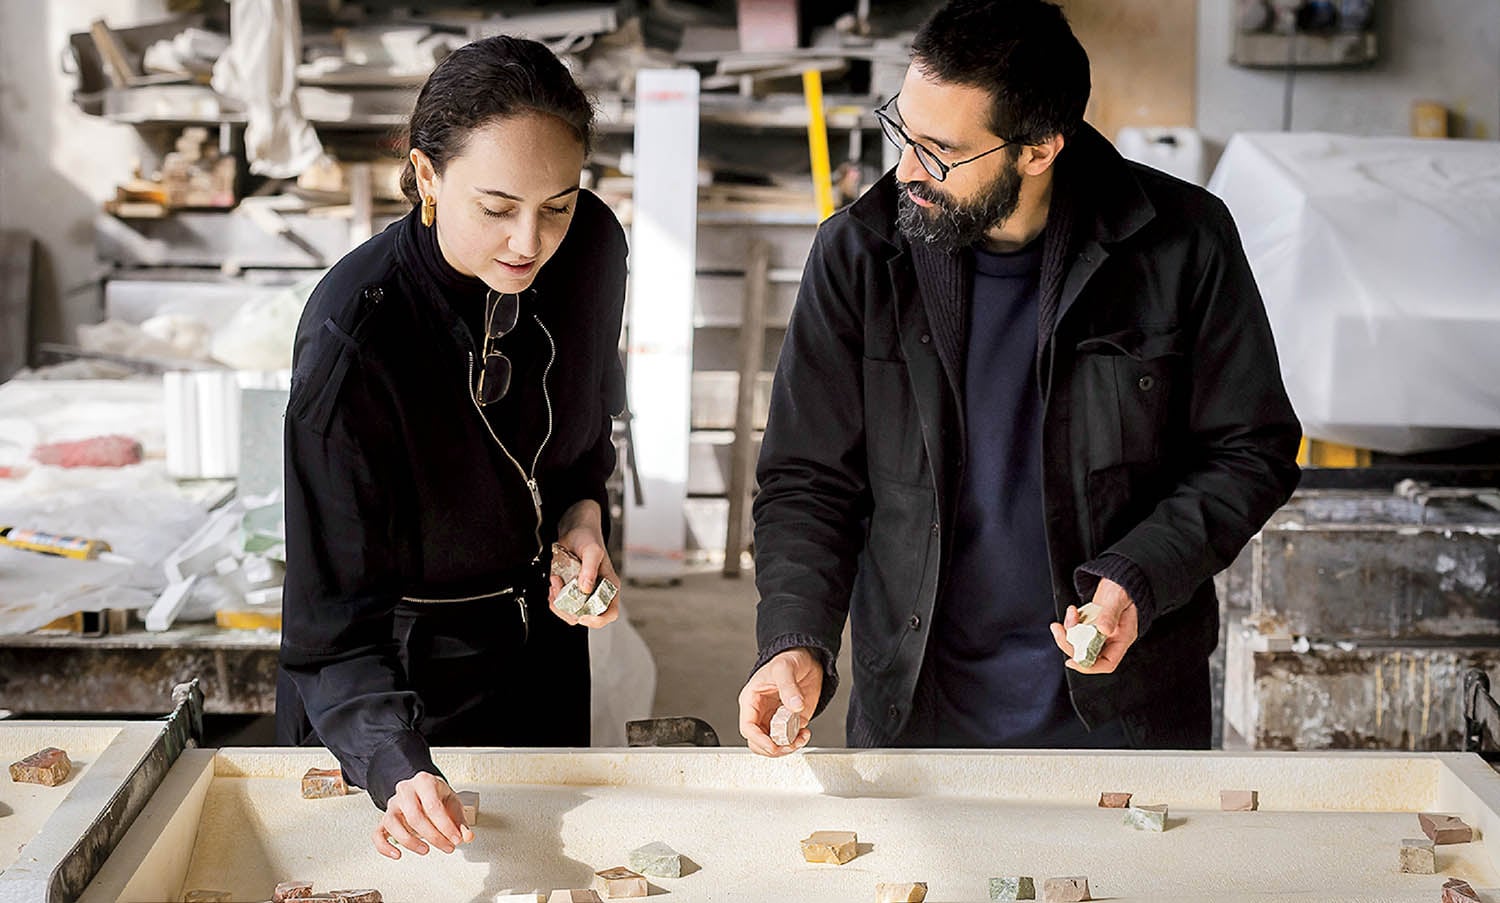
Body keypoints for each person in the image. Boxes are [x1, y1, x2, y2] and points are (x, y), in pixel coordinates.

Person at [738, 0, 1301, 756]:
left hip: (1124, 712)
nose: (906, 171)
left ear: (1038, 148)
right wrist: (795, 639)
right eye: (901, 130)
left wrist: (1140, 573)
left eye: (939, 151)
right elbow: (808, 479)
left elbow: (1252, 448)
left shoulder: (1182, 244)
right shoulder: (860, 256)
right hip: (914, 706)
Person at [278, 35, 628, 859]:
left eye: (558, 204)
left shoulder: (592, 252)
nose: (529, 242)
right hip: (397, 683)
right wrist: (396, 765)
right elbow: (330, 637)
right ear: (427, 177)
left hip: (540, 654)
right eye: (497, 207)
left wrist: (581, 514)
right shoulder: (352, 342)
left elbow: (583, 436)